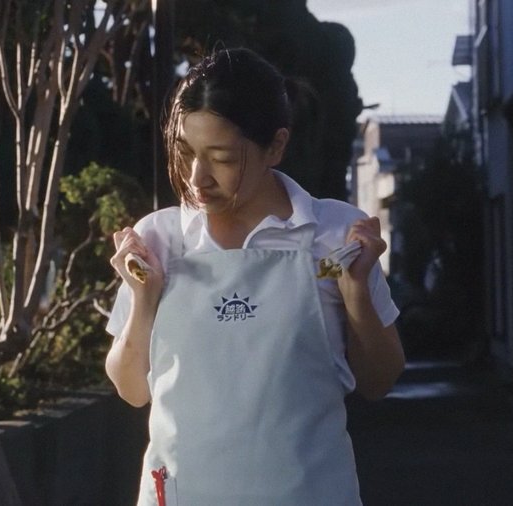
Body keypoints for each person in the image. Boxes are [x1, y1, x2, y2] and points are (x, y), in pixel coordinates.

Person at [105, 47, 405, 506]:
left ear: (276, 146)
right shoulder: (158, 240)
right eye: (185, 153)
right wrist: (144, 300)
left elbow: (379, 380)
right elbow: (130, 390)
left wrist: (357, 294)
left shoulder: (334, 236)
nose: (197, 177)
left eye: (222, 158)